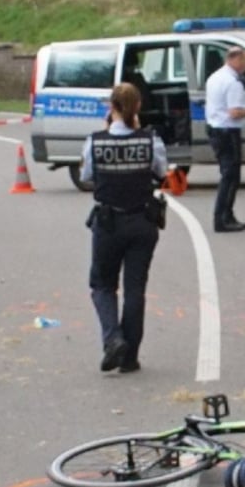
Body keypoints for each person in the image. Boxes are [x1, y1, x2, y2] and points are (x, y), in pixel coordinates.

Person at [80, 82, 168, 374]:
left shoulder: (96, 141)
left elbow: (87, 175)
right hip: (142, 221)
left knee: (103, 285)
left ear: (111, 107)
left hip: (108, 223)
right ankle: (129, 357)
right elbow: (161, 173)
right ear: (137, 107)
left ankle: (113, 338)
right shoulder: (149, 140)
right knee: (135, 290)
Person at [204, 46, 245, 233]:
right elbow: (235, 112)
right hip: (227, 132)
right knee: (230, 177)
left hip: (215, 128)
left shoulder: (215, 77)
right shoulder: (233, 82)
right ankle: (222, 217)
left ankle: (226, 215)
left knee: (228, 174)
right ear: (235, 60)